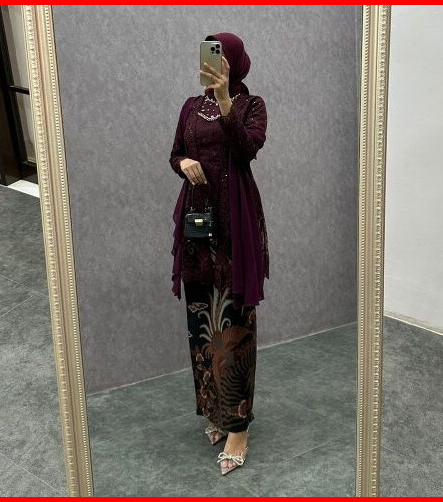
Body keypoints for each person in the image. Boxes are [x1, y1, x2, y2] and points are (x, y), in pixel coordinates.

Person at [169, 32, 269, 476]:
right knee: (201, 321)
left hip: (235, 224)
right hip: (197, 222)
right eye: (208, 56)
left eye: (220, 58)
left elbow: (247, 149)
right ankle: (214, 410)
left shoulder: (252, 106)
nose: (211, 65)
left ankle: (238, 427)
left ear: (235, 63)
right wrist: (183, 164)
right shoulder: (190, 107)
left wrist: (227, 98)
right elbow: (175, 153)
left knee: (235, 324)